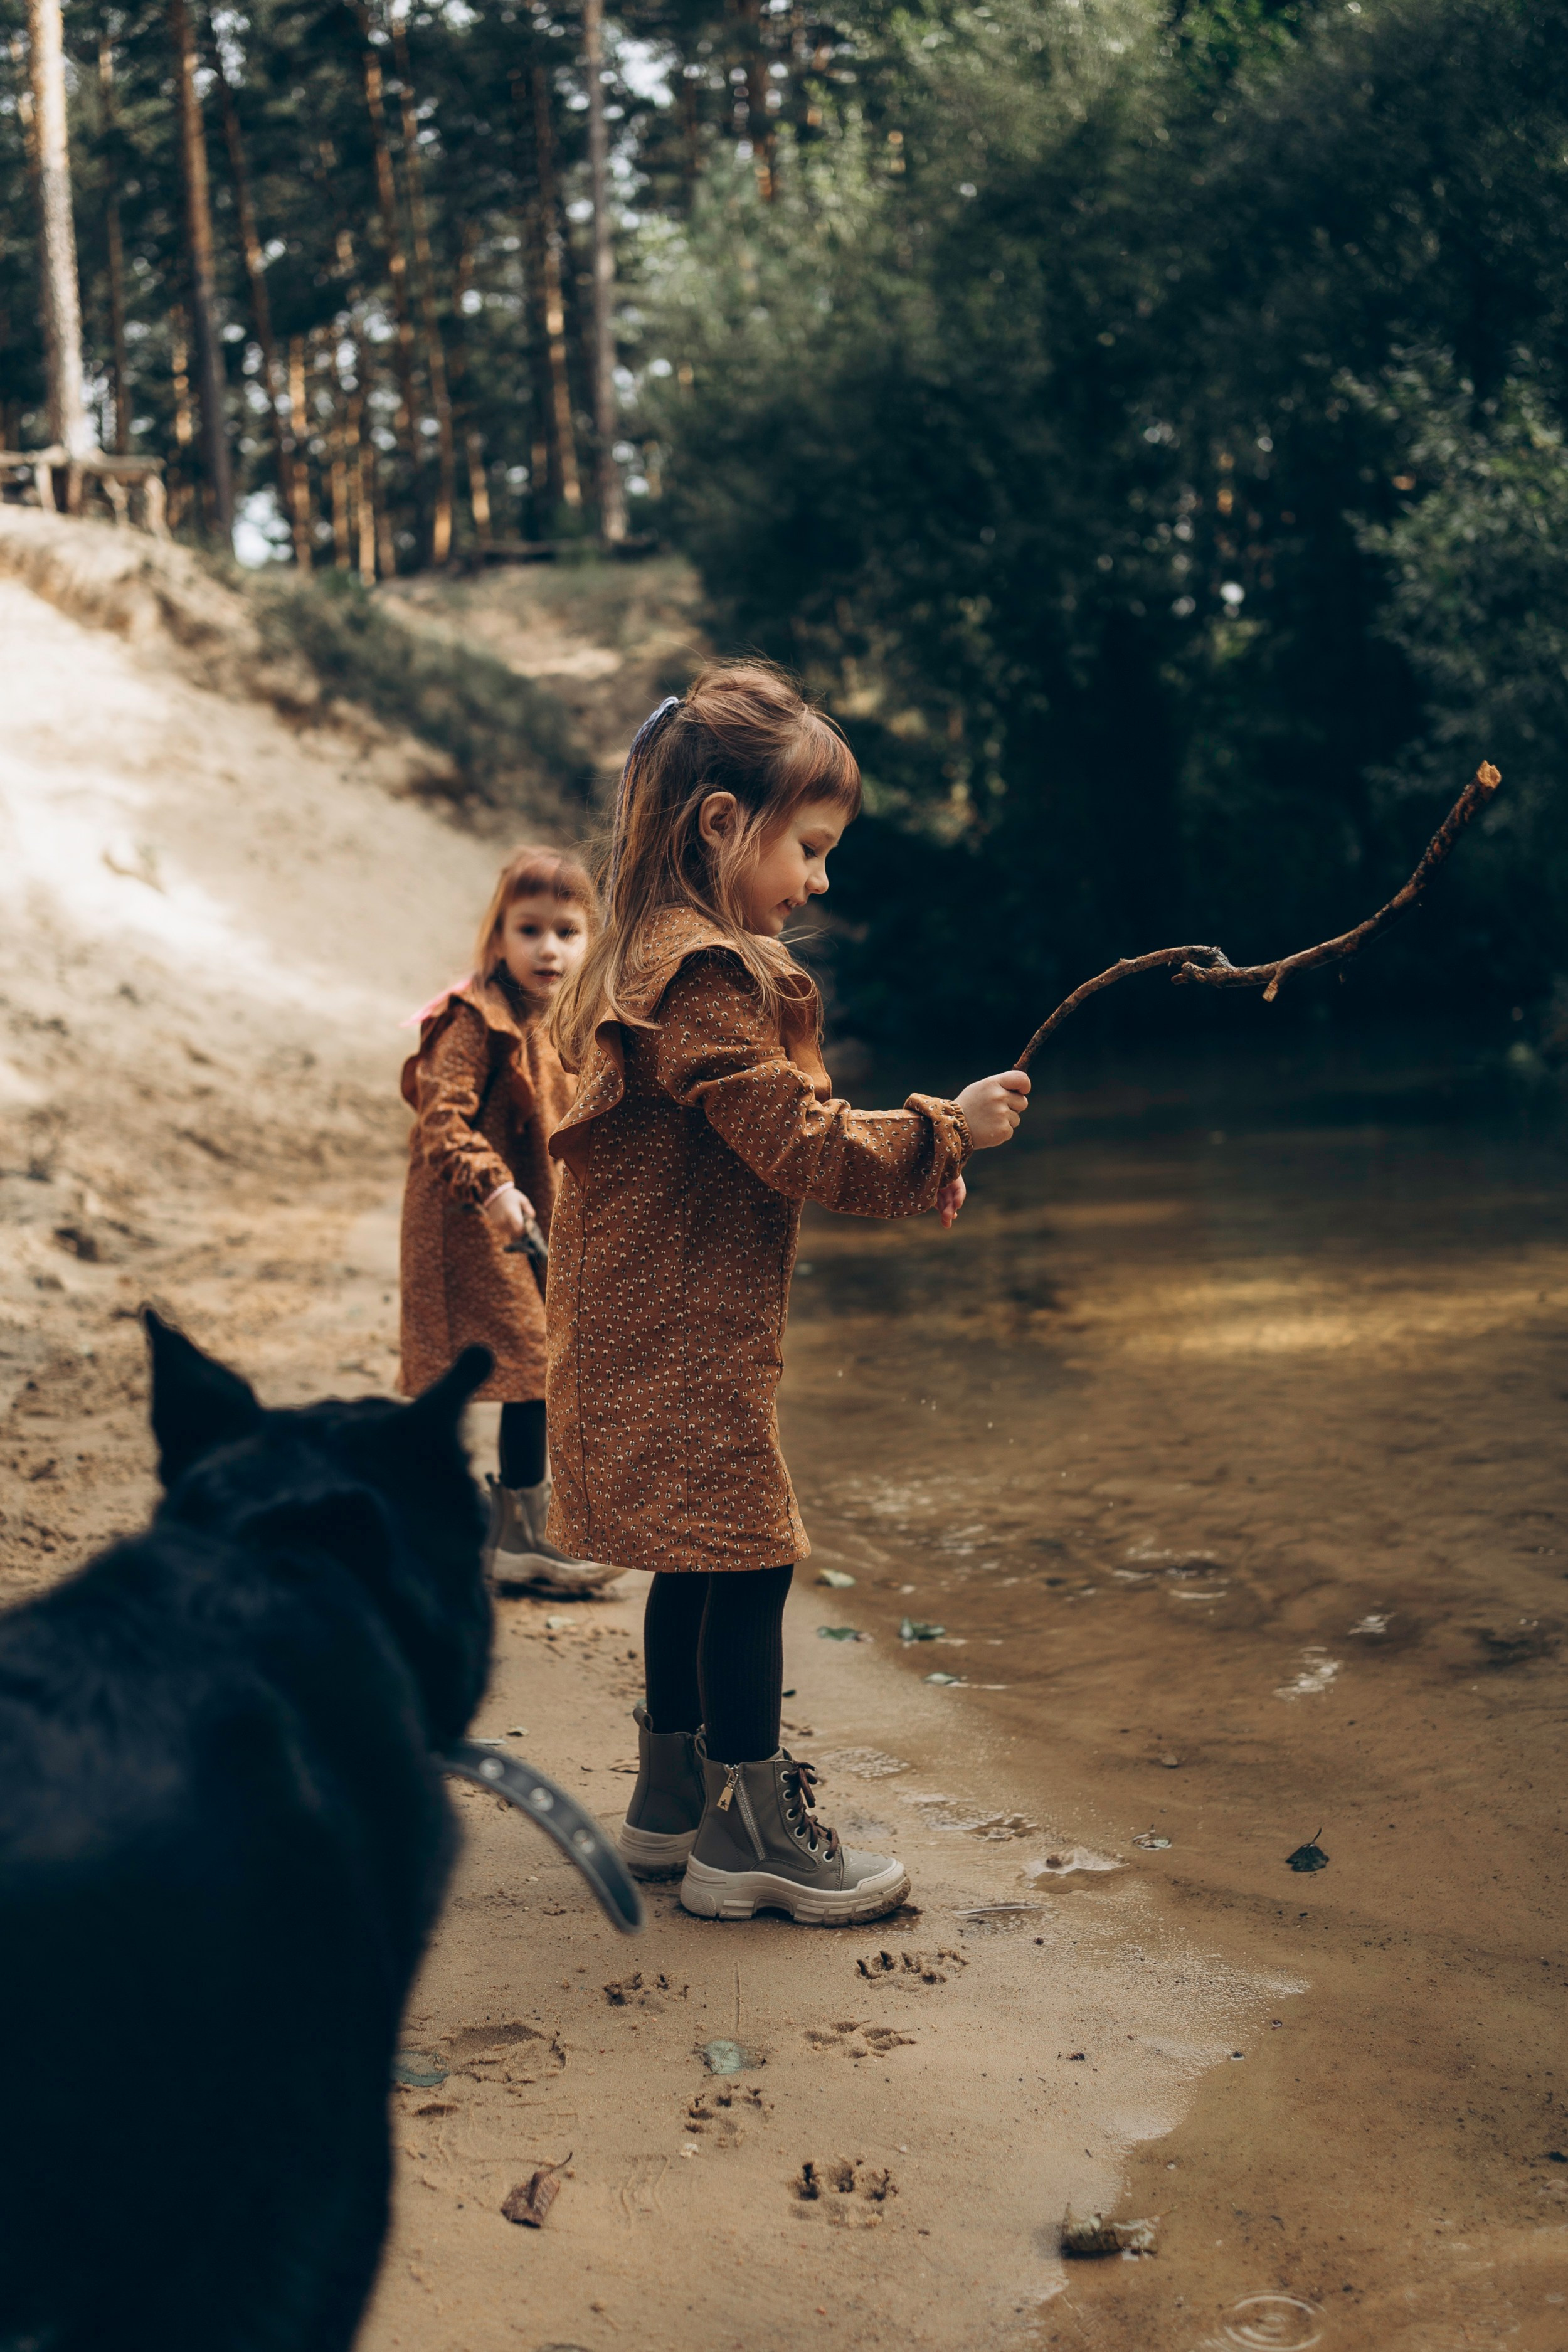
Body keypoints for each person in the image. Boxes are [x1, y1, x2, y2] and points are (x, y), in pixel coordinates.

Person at [545, 664, 1030, 1924]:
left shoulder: (653, 953)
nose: (817, 881)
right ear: (722, 824)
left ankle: (671, 1801)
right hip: (675, 1334)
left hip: (647, 1325)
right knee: (753, 1554)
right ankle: (749, 1835)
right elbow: (799, 1144)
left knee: (697, 1557)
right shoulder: (703, 973)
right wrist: (947, 1131)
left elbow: (771, 1132)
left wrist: (919, 1146)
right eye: (807, 849)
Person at [400, 845, 614, 1594]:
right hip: (469, 1224)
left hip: (532, 1220)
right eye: (529, 930)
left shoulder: (569, 1020)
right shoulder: (474, 1019)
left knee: (533, 1364)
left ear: (590, 940)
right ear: (497, 938)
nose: (548, 948)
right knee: (519, 1364)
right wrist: (491, 1187)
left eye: (566, 932)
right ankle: (504, 1532)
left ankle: (508, 1529)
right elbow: (441, 1119)